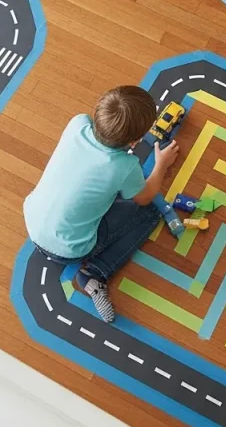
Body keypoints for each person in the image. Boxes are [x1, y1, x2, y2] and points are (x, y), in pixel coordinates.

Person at [23, 85, 179, 323]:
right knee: (148, 212)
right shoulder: (124, 166)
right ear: (135, 141)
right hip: (70, 250)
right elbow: (145, 197)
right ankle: (95, 272)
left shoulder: (77, 123)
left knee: (105, 193)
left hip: (33, 223)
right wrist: (161, 165)